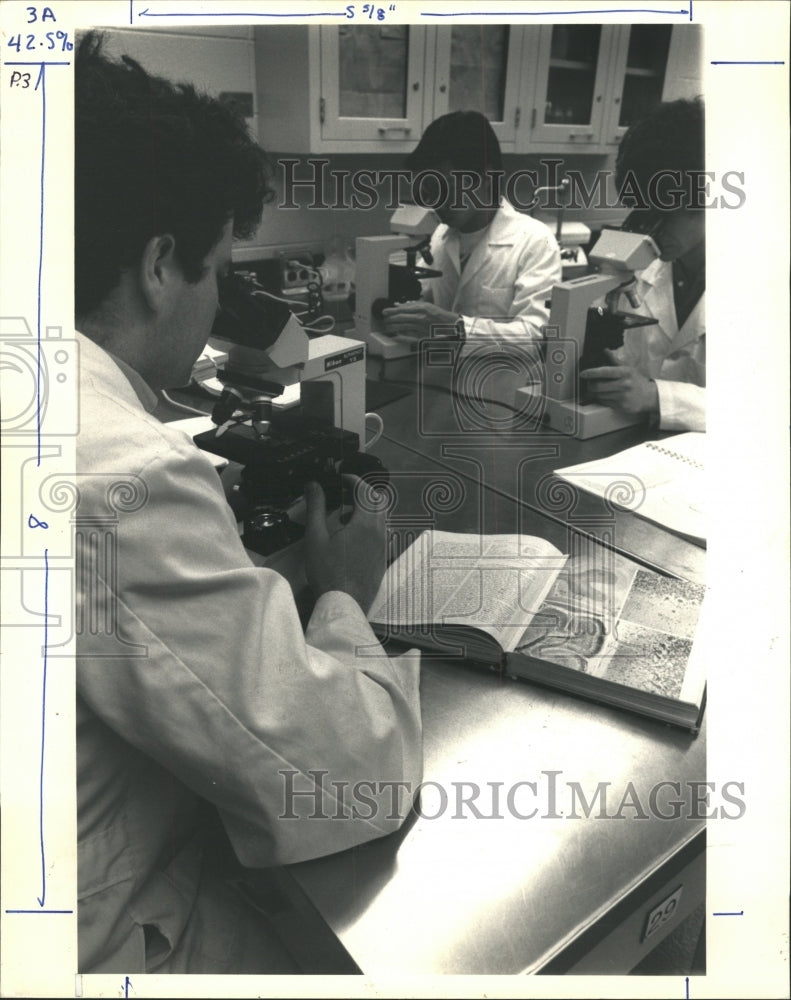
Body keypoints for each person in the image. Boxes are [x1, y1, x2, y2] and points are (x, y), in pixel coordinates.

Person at [74, 32, 422, 974]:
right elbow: (348, 781)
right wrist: (344, 594)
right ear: (158, 265)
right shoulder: (115, 475)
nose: (223, 299)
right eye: (221, 271)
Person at [381, 110, 561, 351]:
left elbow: (536, 337)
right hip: (438, 382)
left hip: (500, 386)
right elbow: (425, 300)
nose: (438, 203)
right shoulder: (439, 236)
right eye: (432, 192)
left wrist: (455, 328)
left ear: (485, 176)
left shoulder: (536, 241)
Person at [581, 98, 706, 432]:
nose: (650, 230)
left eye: (659, 214)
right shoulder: (643, 268)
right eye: (640, 212)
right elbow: (624, 358)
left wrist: (657, 397)